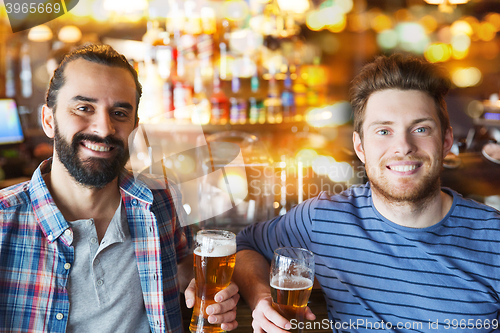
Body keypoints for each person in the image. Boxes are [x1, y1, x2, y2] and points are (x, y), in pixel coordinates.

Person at [233, 54, 500, 333]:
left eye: (420, 128)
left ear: (446, 141)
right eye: (384, 131)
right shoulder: (323, 219)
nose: (403, 146)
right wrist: (261, 298)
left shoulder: (494, 238)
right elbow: (244, 246)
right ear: (360, 147)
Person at [0, 44, 239, 333]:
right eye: (84, 108)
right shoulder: (4, 221)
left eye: (119, 113)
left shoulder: (162, 200)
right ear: (49, 120)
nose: (104, 128)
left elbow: (180, 262)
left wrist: (206, 288)